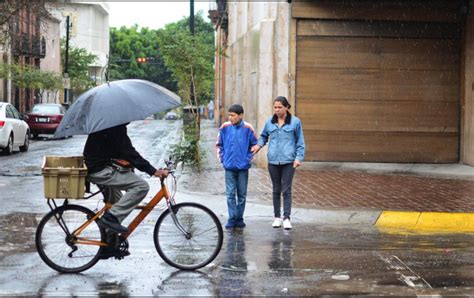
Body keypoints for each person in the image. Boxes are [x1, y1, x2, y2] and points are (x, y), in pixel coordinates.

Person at [83, 123, 168, 257]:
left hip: (99, 166)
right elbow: (128, 151)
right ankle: (110, 218)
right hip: (100, 170)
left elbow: (120, 151)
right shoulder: (115, 125)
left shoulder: (108, 122)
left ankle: (108, 245)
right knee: (141, 186)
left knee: (117, 202)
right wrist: (153, 171)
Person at [251, 96, 305, 230]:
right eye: (275, 107)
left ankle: (287, 218)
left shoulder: (295, 122)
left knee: (286, 189)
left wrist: (298, 158)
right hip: (273, 161)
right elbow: (264, 136)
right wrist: (258, 146)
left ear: (286, 107)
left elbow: (300, 142)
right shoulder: (270, 121)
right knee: (276, 189)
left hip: (288, 161)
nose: (277, 110)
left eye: (280, 107)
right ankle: (277, 217)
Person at [216, 104, 257, 229]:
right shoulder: (225, 127)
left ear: (240, 115)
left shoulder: (248, 128)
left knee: (242, 195)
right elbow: (219, 144)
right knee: (230, 194)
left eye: (233, 115)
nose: (230, 118)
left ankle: (240, 218)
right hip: (229, 167)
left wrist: (247, 159)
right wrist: (222, 159)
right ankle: (232, 218)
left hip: (243, 168)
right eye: (229, 115)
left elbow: (254, 145)